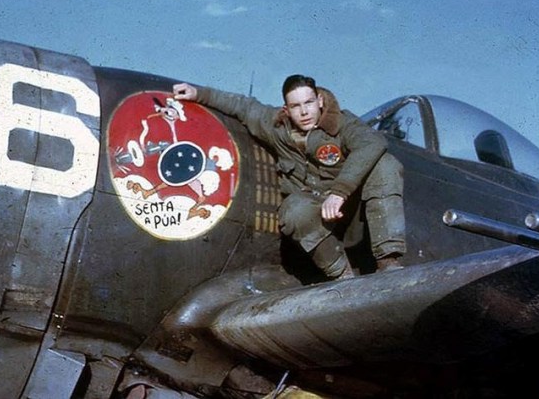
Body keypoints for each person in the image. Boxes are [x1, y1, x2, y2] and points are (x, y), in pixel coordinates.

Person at [173, 75, 406, 280]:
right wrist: (198, 93)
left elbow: (372, 142)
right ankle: (342, 277)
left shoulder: (343, 123)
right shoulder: (276, 127)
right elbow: (243, 106)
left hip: (351, 209)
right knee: (293, 210)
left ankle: (388, 262)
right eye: (296, 106)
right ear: (286, 109)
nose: (304, 112)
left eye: (309, 103)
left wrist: (339, 192)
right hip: (314, 213)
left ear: (319, 101)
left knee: (385, 164)